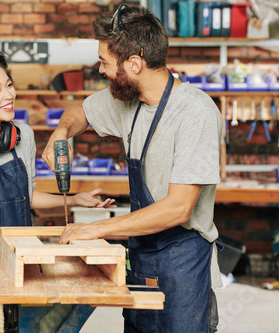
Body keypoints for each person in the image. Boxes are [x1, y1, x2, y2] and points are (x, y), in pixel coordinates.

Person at [42, 4, 222, 333]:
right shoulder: (128, 100)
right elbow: (78, 112)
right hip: (141, 253)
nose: (101, 70)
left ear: (134, 64)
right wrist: (61, 133)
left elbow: (179, 209)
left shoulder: (195, 112)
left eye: (105, 63)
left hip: (182, 260)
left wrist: (96, 229)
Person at [0, 50, 115, 308]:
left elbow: (27, 196)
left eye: (9, 85)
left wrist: (75, 199)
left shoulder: (24, 135)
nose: (9, 94)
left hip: (26, 262)